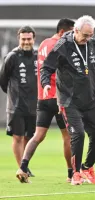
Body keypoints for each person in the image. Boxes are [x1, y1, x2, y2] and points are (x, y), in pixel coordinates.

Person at [41, 15, 95, 185]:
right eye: (85, 35)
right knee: (78, 134)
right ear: (75, 30)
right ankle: (75, 173)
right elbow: (46, 68)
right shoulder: (62, 46)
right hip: (68, 100)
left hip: (88, 99)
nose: (88, 39)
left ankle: (87, 167)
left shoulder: (93, 45)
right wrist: (45, 84)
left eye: (91, 35)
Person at [15, 18, 75, 184]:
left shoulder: (42, 44)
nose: (74, 36)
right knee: (68, 137)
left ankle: (23, 167)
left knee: (38, 135)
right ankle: (71, 175)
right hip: (59, 98)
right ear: (63, 32)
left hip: (43, 98)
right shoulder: (62, 46)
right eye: (72, 32)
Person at [0, 26, 37, 177]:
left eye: (29, 39)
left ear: (33, 39)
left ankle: (25, 164)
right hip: (16, 106)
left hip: (35, 105)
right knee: (18, 136)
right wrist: (14, 95)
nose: (26, 42)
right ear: (19, 39)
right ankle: (22, 169)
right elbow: (3, 80)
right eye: (23, 39)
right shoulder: (12, 56)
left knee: (31, 137)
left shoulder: (38, 56)